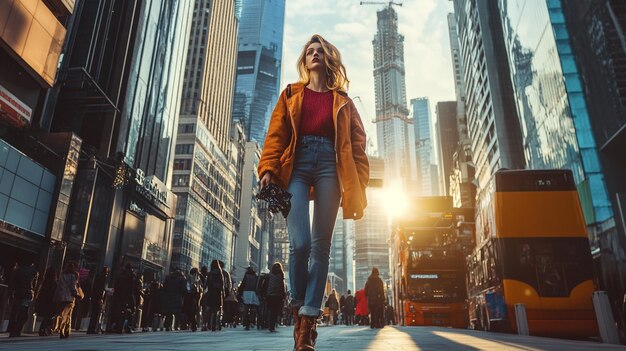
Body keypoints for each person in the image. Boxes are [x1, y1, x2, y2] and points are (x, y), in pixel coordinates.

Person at [258, 34, 369, 351]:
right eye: (310, 51)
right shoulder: (291, 93)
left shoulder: (343, 101)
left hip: (330, 167)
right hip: (297, 162)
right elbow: (276, 134)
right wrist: (267, 168)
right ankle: (297, 311)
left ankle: (306, 326)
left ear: (329, 59)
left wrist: (358, 182)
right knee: (301, 243)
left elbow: (357, 146)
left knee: (321, 247)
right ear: (305, 60)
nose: (316, 54)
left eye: (321, 51)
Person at [7, 260, 38, 337]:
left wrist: (11, 293)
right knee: (23, 313)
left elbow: (11, 282)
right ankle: (18, 329)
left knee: (15, 311)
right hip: (27, 293)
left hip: (17, 293)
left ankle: (12, 330)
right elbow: (35, 285)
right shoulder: (33, 272)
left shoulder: (17, 270)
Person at [53, 261, 80, 339]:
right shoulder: (73, 276)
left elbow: (59, 286)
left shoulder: (62, 274)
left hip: (61, 297)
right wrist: (76, 295)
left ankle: (60, 329)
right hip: (69, 298)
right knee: (67, 315)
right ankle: (64, 330)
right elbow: (73, 287)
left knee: (61, 314)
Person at [262, 262, 287, 332]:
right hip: (278, 296)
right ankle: (272, 326)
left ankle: (269, 324)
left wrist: (263, 293)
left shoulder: (269, 276)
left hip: (269, 295)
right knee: (275, 311)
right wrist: (283, 296)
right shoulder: (281, 276)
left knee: (270, 310)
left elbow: (265, 285)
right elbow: (282, 287)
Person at [35, 267, 57, 336]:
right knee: (49, 317)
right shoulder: (55, 283)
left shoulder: (44, 282)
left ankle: (43, 329)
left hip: (43, 301)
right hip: (51, 302)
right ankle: (45, 329)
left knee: (46, 316)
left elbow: (40, 292)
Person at [87, 266, 109, 334]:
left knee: (93, 313)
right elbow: (101, 289)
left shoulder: (97, 276)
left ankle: (90, 328)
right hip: (98, 297)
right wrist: (101, 298)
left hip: (94, 297)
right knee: (96, 314)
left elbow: (95, 287)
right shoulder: (104, 277)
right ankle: (93, 329)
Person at [238, 266, 260, 330]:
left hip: (246, 292)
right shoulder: (255, 276)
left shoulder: (246, 276)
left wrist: (240, 291)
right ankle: (252, 321)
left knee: (246, 309)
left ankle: (246, 323)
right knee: (253, 308)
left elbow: (243, 284)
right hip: (253, 293)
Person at [204, 261, 224, 331]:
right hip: (218, 293)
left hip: (210, 293)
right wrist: (223, 293)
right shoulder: (220, 274)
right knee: (216, 310)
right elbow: (222, 284)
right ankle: (214, 325)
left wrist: (204, 289)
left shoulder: (210, 273)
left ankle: (205, 324)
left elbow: (206, 284)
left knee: (208, 309)